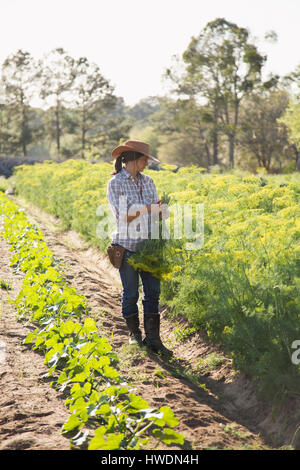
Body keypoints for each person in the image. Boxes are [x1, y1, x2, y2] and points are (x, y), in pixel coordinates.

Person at [106, 140, 172, 356]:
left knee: (153, 293)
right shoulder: (115, 183)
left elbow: (158, 213)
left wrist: (163, 211)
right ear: (133, 159)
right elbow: (123, 217)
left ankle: (154, 339)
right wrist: (148, 209)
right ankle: (135, 336)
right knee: (131, 294)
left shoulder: (149, 181)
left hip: (150, 248)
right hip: (127, 247)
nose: (147, 164)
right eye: (145, 160)